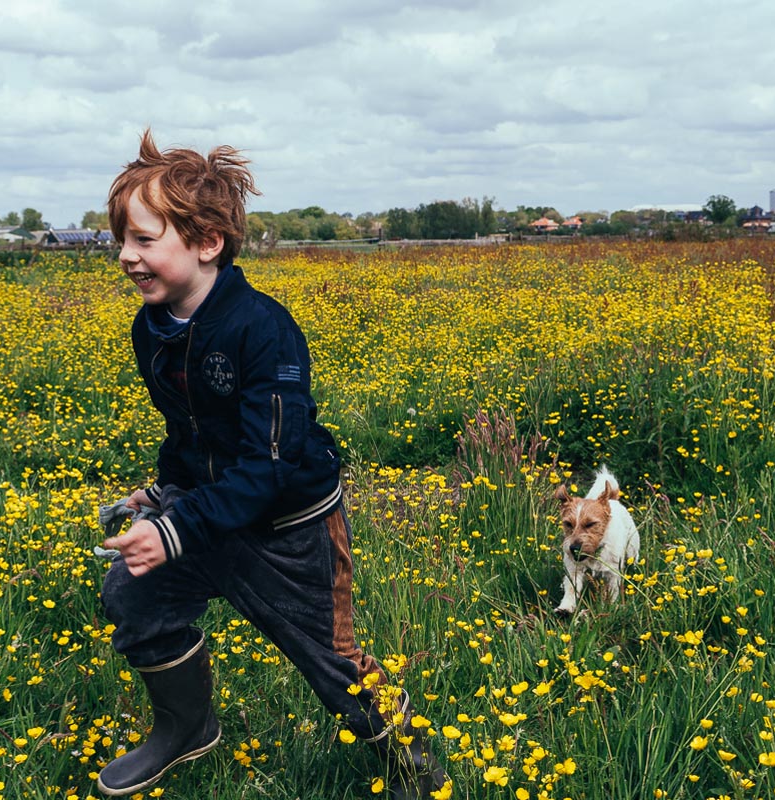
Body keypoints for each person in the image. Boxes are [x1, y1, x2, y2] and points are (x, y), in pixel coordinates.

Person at [95, 129, 450, 800]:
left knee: (333, 666)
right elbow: (190, 428)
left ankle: (416, 768)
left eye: (144, 240)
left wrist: (175, 527)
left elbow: (268, 466)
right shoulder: (152, 326)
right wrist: (165, 491)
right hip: (211, 515)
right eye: (123, 240)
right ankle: (185, 729)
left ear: (207, 244)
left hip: (290, 529)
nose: (126, 256)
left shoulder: (263, 329)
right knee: (132, 593)